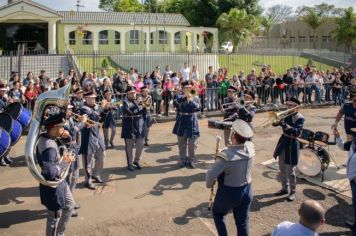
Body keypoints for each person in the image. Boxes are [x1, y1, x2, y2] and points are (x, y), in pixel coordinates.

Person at [206, 119, 255, 236]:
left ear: (233, 136)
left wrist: (209, 184)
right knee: (242, 221)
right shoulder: (251, 147)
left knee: (218, 213)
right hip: (248, 189)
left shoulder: (225, 155)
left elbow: (211, 175)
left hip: (230, 192)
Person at [36, 113, 75, 236]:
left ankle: (59, 234)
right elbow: (49, 172)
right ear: (53, 128)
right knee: (54, 216)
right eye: (61, 127)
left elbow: (68, 146)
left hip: (60, 182)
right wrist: (64, 163)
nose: (64, 129)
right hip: (54, 185)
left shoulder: (47, 137)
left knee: (69, 206)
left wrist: (66, 138)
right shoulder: (49, 148)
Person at [273, 97, 304, 201]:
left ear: (296, 107)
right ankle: (284, 188)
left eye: (291, 105)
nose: (288, 107)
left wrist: (284, 124)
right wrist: (276, 122)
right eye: (288, 105)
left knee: (290, 171)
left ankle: (293, 191)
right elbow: (275, 123)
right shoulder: (287, 115)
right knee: (281, 169)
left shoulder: (299, 117)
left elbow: (296, 132)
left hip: (292, 143)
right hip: (283, 142)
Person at [62, 105, 87, 217]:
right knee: (68, 179)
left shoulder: (70, 119)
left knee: (75, 177)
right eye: (69, 109)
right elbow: (73, 131)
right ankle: (67, 205)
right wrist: (82, 122)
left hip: (74, 150)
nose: (71, 111)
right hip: (67, 152)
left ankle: (70, 201)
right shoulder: (61, 121)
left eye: (71, 109)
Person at [79, 91, 106, 190]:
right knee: (88, 161)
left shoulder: (95, 107)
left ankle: (96, 174)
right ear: (85, 99)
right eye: (91, 98)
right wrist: (102, 108)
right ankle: (88, 180)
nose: (93, 100)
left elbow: (101, 119)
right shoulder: (83, 108)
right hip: (88, 136)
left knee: (102, 155)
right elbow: (94, 117)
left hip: (97, 134)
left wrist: (106, 110)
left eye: (94, 98)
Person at [172, 81, 200, 168]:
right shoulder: (179, 97)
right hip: (182, 122)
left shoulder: (195, 97)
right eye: (186, 88)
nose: (188, 90)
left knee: (192, 144)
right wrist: (184, 97)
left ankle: (191, 160)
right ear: (183, 89)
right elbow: (175, 103)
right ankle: (182, 160)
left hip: (192, 122)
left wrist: (191, 100)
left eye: (189, 88)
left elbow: (199, 108)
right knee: (181, 144)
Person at [334, 127, 356, 235]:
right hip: (352, 180)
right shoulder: (353, 144)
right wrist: (337, 136)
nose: (352, 136)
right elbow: (342, 146)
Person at [121, 86, 147, 171]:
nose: (133, 94)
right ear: (127, 94)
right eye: (131, 93)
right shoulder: (125, 102)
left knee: (141, 145)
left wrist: (145, 107)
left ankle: (137, 161)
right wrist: (138, 105)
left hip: (140, 126)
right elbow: (129, 111)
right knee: (129, 147)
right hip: (129, 127)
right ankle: (130, 163)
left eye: (134, 93)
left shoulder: (138, 100)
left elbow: (144, 112)